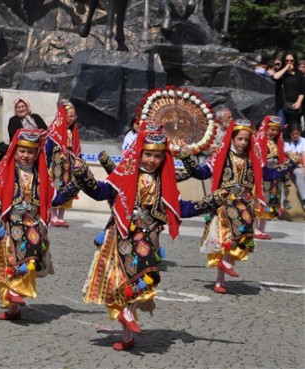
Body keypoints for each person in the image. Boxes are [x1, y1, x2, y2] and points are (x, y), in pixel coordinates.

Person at [72, 122, 224, 351]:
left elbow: (181, 209)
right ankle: (127, 334)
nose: (152, 160)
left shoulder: (165, 183)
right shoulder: (124, 175)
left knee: (144, 282)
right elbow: (99, 192)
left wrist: (215, 200)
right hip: (120, 237)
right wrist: (82, 172)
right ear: (138, 152)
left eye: (158, 156)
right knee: (118, 284)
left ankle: (127, 324)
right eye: (148, 154)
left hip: (147, 240)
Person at [180, 119, 296, 294]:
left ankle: (223, 270)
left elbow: (270, 174)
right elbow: (201, 173)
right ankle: (220, 280)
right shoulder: (219, 157)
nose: (243, 143)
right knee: (225, 239)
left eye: (246, 140)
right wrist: (188, 158)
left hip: (243, 205)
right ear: (232, 138)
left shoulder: (253, 160)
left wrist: (290, 163)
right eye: (240, 139)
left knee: (240, 233)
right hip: (223, 203)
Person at [0, 129, 79, 320]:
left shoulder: (41, 177)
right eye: (22, 151)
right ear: (16, 150)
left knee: (29, 261)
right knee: (5, 265)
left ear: (37, 153)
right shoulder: (7, 171)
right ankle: (12, 306)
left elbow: (55, 198)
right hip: (12, 224)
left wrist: (77, 182)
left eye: (30, 152)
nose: (25, 156)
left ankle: (17, 292)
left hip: (33, 226)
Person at [254, 116, 292, 239]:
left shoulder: (278, 143)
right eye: (272, 129)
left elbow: (282, 160)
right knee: (260, 201)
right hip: (263, 175)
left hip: (275, 176)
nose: (274, 132)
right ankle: (255, 229)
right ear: (267, 129)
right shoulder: (259, 142)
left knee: (270, 203)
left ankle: (262, 229)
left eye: (276, 130)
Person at [46, 101, 81, 227]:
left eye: (74, 117)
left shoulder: (73, 131)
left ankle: (61, 217)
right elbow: (47, 148)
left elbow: (77, 148)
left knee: (66, 189)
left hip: (69, 166)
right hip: (56, 164)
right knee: (56, 187)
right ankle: (53, 216)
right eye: (70, 116)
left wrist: (78, 161)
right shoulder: (54, 130)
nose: (72, 119)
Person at [272, 52, 305, 136]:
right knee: (281, 129)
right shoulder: (281, 73)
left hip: (296, 106)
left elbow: (302, 90)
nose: (289, 62)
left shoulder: (299, 74)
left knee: (295, 130)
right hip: (282, 106)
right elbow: (274, 77)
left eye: (291, 60)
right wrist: (285, 68)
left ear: (295, 61)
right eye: (287, 61)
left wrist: (299, 102)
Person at [284, 124, 305, 209]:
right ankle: (304, 200)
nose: (295, 136)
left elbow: (303, 155)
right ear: (290, 134)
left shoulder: (303, 140)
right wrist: (298, 160)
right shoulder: (286, 142)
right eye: (293, 134)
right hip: (291, 165)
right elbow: (292, 156)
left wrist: (304, 167)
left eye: (297, 133)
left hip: (301, 164)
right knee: (299, 173)